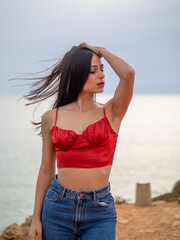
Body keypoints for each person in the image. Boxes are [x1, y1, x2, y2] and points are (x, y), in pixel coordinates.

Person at [28, 42, 135, 240]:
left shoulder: (111, 112)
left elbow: (128, 73)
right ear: (76, 75)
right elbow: (46, 169)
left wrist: (101, 50)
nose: (102, 75)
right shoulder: (51, 117)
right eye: (93, 71)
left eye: (102, 70)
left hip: (100, 211)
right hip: (57, 207)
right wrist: (36, 218)